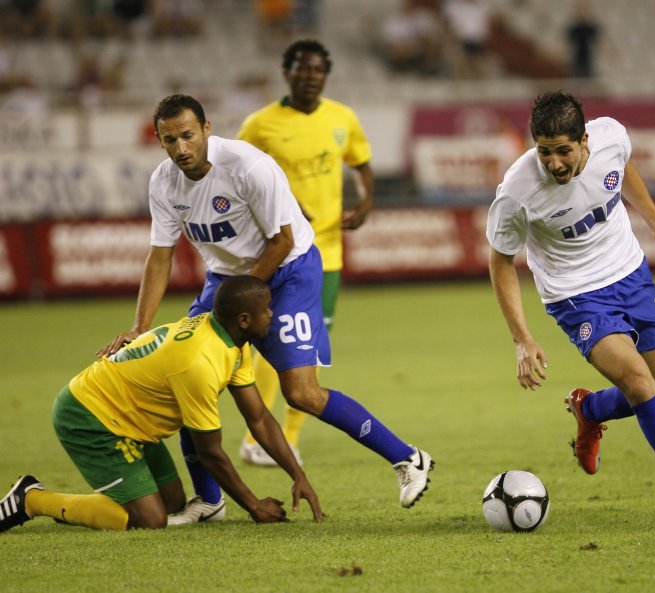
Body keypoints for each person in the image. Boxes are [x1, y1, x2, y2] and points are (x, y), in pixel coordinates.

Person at [96, 94, 434, 524]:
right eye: (169, 140)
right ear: (159, 142)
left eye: (186, 135)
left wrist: (246, 303)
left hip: (288, 270)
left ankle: (408, 458)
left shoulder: (246, 166)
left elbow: (284, 240)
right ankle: (208, 500)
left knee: (301, 393)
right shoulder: (164, 183)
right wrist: (139, 327)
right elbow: (160, 255)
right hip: (227, 281)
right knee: (180, 369)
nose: (180, 148)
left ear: (206, 129)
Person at [486, 91, 655, 533]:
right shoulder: (517, 191)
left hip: (631, 273)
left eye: (564, 151)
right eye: (544, 153)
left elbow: (623, 171)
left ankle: (590, 410)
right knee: (641, 385)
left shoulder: (611, 136)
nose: (555, 164)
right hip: (576, 295)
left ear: (585, 139)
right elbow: (500, 261)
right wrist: (521, 338)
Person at [0, 275, 322, 533]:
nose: (272, 314)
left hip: (131, 419)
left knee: (172, 504)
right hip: (90, 416)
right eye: (266, 309)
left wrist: (297, 475)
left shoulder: (230, 342)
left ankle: (100, 503)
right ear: (243, 319)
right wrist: (253, 505)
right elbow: (210, 452)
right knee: (149, 519)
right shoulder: (200, 363)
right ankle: (32, 499)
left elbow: (260, 419)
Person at [235, 39, 374, 468]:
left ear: (325, 74)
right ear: (287, 72)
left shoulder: (342, 118)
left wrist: (366, 201)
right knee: (266, 346)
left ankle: (289, 438)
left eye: (317, 69)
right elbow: (235, 174)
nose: (309, 75)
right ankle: (255, 437)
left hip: (326, 254)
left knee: (307, 351)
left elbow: (362, 162)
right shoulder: (260, 125)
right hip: (278, 253)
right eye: (301, 68)